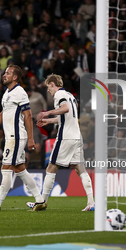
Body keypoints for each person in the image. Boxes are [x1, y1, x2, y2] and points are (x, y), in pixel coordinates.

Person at [0, 65, 46, 212]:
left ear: (15, 77)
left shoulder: (20, 92)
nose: (4, 75)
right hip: (12, 137)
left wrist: (31, 138)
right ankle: (40, 201)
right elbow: (4, 113)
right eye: (5, 73)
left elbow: (28, 115)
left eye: (8, 73)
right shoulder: (7, 93)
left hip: (16, 137)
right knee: (20, 170)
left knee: (6, 167)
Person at [27, 74, 95, 211]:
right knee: (80, 169)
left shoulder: (59, 95)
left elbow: (65, 109)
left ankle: (41, 202)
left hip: (65, 137)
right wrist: (49, 121)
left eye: (48, 87)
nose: (48, 91)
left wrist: (47, 113)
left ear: (53, 84)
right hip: (76, 136)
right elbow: (66, 117)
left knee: (51, 167)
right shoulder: (71, 96)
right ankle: (91, 203)